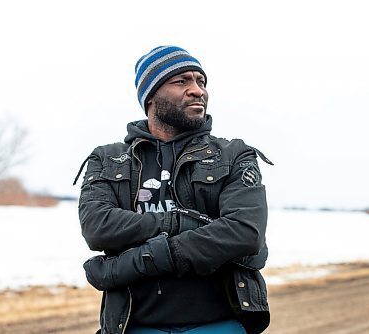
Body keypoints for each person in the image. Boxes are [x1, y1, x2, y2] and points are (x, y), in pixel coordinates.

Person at [75, 46, 273, 334]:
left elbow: (244, 232)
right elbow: (98, 227)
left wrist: (138, 260)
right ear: (151, 95)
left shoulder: (233, 155)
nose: (197, 90)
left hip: (220, 326)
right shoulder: (108, 159)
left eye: (201, 82)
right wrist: (182, 222)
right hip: (136, 327)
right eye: (181, 81)